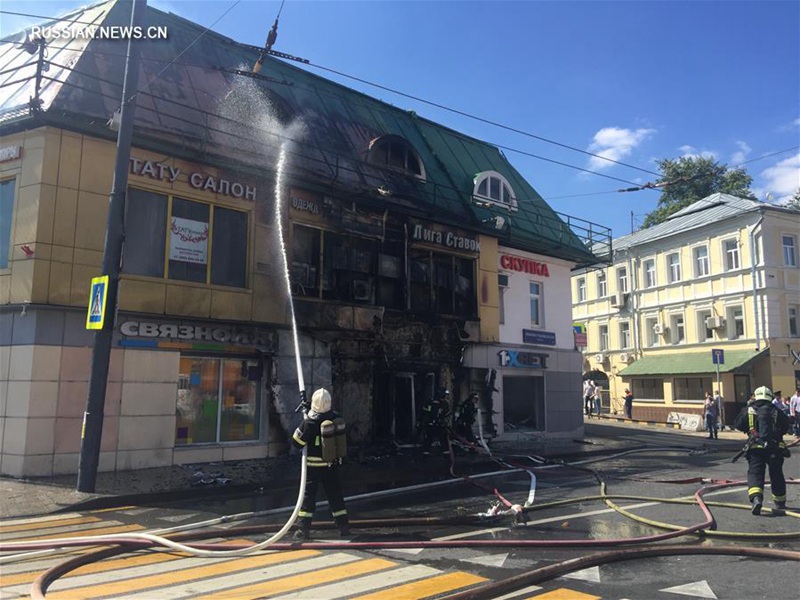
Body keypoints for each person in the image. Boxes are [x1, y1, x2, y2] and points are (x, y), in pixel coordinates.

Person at [291, 388, 350, 539]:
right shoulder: (335, 418)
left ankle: (303, 529)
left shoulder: (309, 423)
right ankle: (343, 526)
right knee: (335, 496)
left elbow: (296, 442)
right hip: (332, 466)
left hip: (313, 467)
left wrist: (303, 421)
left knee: (308, 498)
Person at [733, 386, 791, 515]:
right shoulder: (776, 410)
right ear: (770, 397)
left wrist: (750, 429)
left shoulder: (749, 410)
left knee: (755, 474)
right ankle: (780, 502)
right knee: (776, 474)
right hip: (774, 449)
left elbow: (737, 424)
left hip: (755, 449)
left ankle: (757, 499)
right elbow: (786, 426)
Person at [421, 387, 451, 455]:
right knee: (431, 439)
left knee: (441, 439)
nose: (445, 397)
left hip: (437, 424)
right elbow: (424, 412)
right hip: (432, 424)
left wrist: (443, 421)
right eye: (445, 395)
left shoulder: (443, 403)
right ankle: (426, 454)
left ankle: (445, 454)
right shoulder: (431, 402)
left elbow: (447, 414)